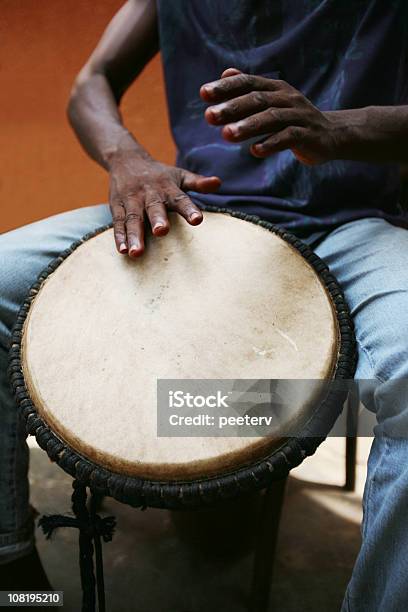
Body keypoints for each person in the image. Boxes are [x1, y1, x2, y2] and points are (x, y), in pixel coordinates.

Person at [1, 1, 408, 609]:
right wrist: (126, 158)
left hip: (350, 222)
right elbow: (92, 82)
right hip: (193, 210)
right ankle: (11, 570)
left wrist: (336, 129)